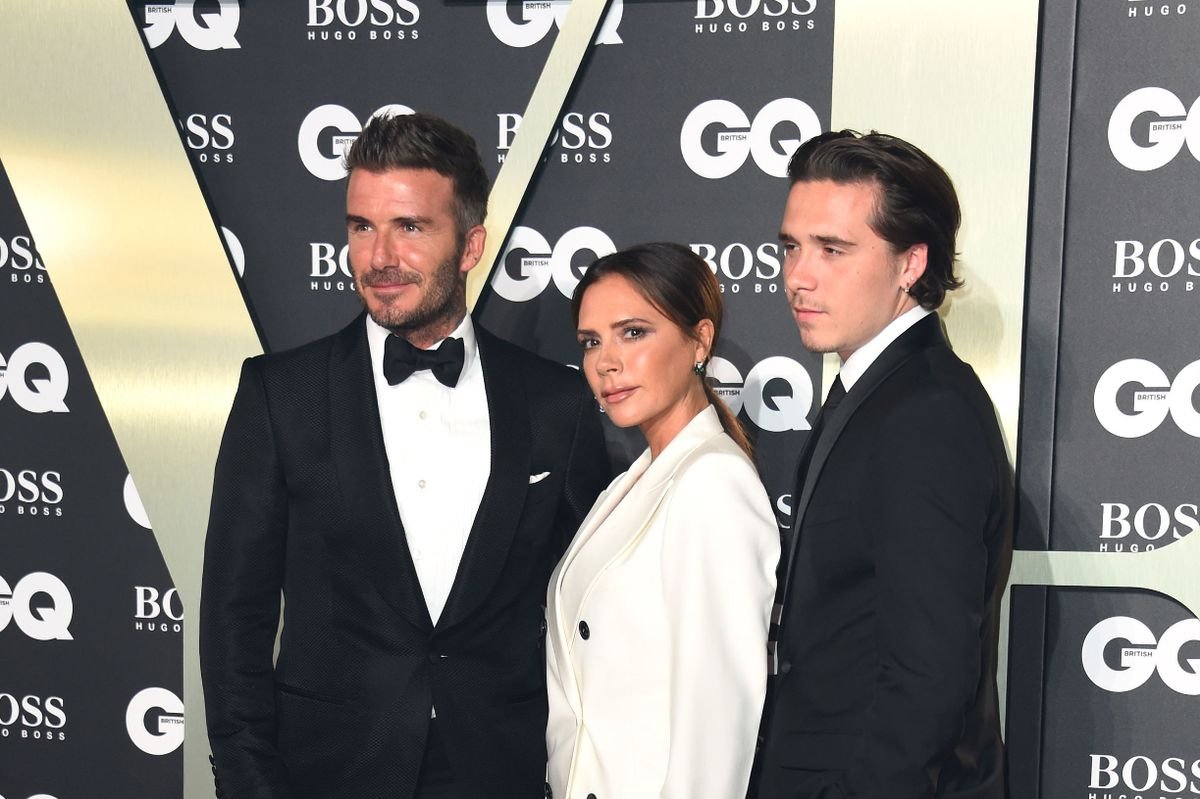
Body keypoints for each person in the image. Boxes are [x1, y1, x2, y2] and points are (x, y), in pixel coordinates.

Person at [199, 112, 610, 799]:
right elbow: (232, 620)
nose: (380, 256)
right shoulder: (282, 395)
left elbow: (591, 615)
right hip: (326, 774)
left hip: (499, 772)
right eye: (362, 226)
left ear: (471, 245)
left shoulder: (555, 405)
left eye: (410, 227)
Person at [754, 131, 1013, 799]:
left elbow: (929, 674)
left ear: (910, 263)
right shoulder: (879, 392)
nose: (798, 275)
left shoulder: (926, 412)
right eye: (791, 246)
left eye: (833, 250)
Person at [545, 242, 779, 799]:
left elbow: (716, 724)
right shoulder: (632, 483)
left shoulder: (713, 482)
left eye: (633, 332)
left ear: (700, 340)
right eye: (591, 342)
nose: (606, 362)